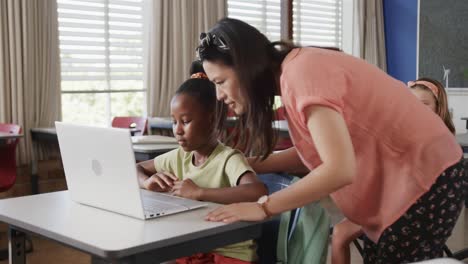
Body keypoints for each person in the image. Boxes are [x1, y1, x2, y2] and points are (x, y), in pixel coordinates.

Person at [199, 18, 466, 263]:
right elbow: (316, 152)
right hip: (412, 179)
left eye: (220, 81)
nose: (219, 95)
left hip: (427, 177)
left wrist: (264, 208)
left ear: (245, 66)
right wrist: (248, 164)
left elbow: (338, 169)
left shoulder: (301, 74)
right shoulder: (295, 72)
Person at [137, 61, 267, 264]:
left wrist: (200, 193)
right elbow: (135, 168)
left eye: (186, 121)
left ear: (212, 120)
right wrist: (146, 182)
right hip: (193, 247)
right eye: (174, 121)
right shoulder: (179, 156)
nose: (177, 130)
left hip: (229, 252)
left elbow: (257, 191)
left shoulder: (228, 158)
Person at [330, 77, 458, 264]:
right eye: (411, 104)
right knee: (343, 233)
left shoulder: (437, 140)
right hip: (391, 205)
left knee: (341, 234)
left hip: (413, 211)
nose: (416, 110)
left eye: (424, 104)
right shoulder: (402, 133)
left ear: (439, 109)